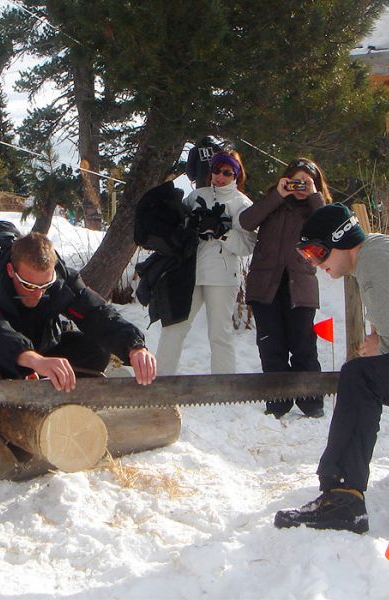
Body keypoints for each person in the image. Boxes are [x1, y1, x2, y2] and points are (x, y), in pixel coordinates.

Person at [0, 231, 157, 437]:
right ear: (9, 270)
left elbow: (96, 313)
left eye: (44, 286)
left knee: (95, 351)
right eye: (28, 285)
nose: (36, 294)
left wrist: (133, 345)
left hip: (37, 350)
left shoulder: (62, 277)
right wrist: (30, 358)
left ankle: (62, 411)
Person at [274, 203, 381, 534]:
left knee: (359, 377)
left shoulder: (377, 261)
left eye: (318, 252)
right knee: (364, 375)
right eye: (309, 257)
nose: (317, 264)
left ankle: (343, 497)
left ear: (341, 238)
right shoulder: (376, 255)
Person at [239, 158, 332, 418]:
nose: (299, 186)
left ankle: (311, 402)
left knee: (303, 344)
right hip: (265, 284)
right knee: (271, 345)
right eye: (295, 180)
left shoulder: (317, 209)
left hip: (299, 286)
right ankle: (277, 402)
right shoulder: (273, 204)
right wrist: (277, 195)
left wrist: (314, 196)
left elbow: (330, 228)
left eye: (305, 182)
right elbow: (246, 221)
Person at [156, 151, 256, 375]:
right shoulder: (196, 196)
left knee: (219, 334)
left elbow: (248, 246)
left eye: (227, 172)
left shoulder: (242, 204)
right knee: (174, 327)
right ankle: (161, 381)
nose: (220, 176)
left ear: (236, 176)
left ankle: (223, 385)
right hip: (191, 272)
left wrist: (222, 232)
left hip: (222, 276)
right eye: (216, 170)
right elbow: (176, 227)